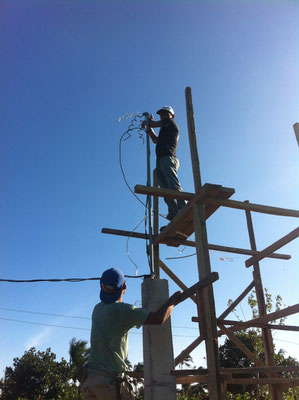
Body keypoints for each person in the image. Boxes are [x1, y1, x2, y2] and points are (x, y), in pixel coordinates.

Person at [81, 267, 181, 400]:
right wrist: (172, 301)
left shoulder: (97, 309)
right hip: (108, 384)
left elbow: (122, 315)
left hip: (90, 381)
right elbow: (158, 318)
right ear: (124, 286)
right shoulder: (124, 311)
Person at [142, 105, 186, 221]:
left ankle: (183, 206)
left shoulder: (170, 123)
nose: (163, 116)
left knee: (172, 183)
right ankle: (174, 212)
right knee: (165, 189)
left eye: (166, 114)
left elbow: (155, 124)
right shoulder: (164, 130)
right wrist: (148, 127)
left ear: (172, 115)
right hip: (161, 160)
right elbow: (155, 140)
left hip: (168, 158)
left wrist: (148, 123)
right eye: (161, 115)